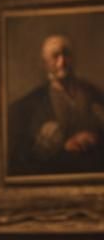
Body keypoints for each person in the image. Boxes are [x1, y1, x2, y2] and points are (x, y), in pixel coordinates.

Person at [7, 33, 104, 176]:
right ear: (44, 63)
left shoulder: (95, 94)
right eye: (55, 56)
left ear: (73, 58)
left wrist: (97, 138)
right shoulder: (27, 106)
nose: (62, 62)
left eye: (66, 54)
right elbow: (19, 162)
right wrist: (63, 148)